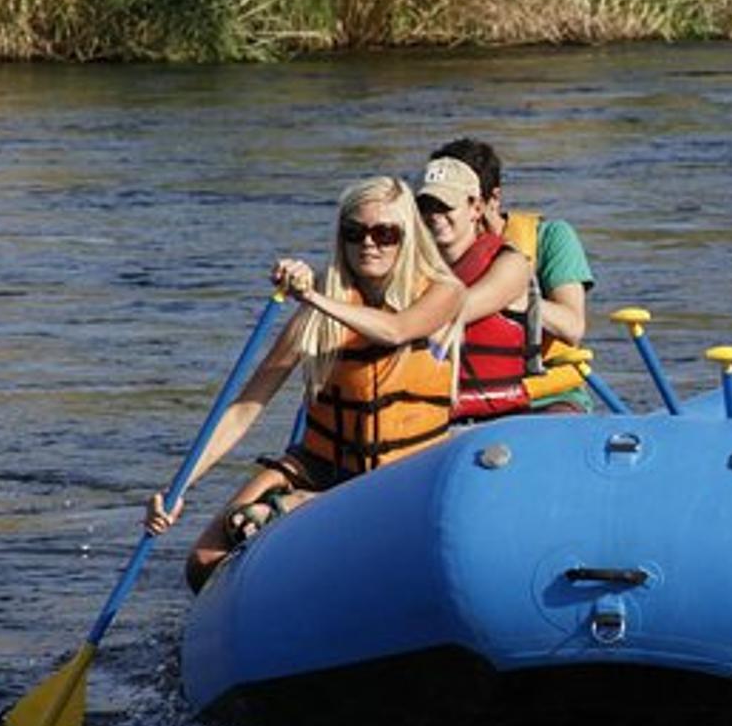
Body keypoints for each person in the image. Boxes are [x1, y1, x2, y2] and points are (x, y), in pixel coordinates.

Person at [145, 177, 465, 592]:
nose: (369, 244)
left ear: (407, 238)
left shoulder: (445, 292)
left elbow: (397, 330)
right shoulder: (313, 320)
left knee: (298, 516)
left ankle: (294, 513)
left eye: (385, 233)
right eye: (355, 232)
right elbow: (246, 408)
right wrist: (176, 488)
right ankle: (291, 522)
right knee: (203, 563)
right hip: (322, 465)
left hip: (408, 474)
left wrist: (312, 297)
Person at [431, 137, 598, 412]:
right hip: (466, 395)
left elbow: (573, 327)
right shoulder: (434, 250)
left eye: (449, 205)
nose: (439, 217)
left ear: (491, 199)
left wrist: (516, 298)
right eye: (431, 206)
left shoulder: (550, 238)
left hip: (546, 395)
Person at [415, 153, 541, 420]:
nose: (434, 215)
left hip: (497, 423)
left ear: (476, 208)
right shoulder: (414, 268)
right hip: (430, 421)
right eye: (426, 206)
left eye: (445, 205)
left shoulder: (510, 263)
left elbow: (447, 312)